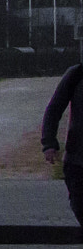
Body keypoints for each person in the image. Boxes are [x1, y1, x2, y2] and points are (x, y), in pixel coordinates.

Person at [42, 62, 83, 235]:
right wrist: (49, 143)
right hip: (78, 160)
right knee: (79, 205)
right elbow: (54, 109)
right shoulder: (76, 75)